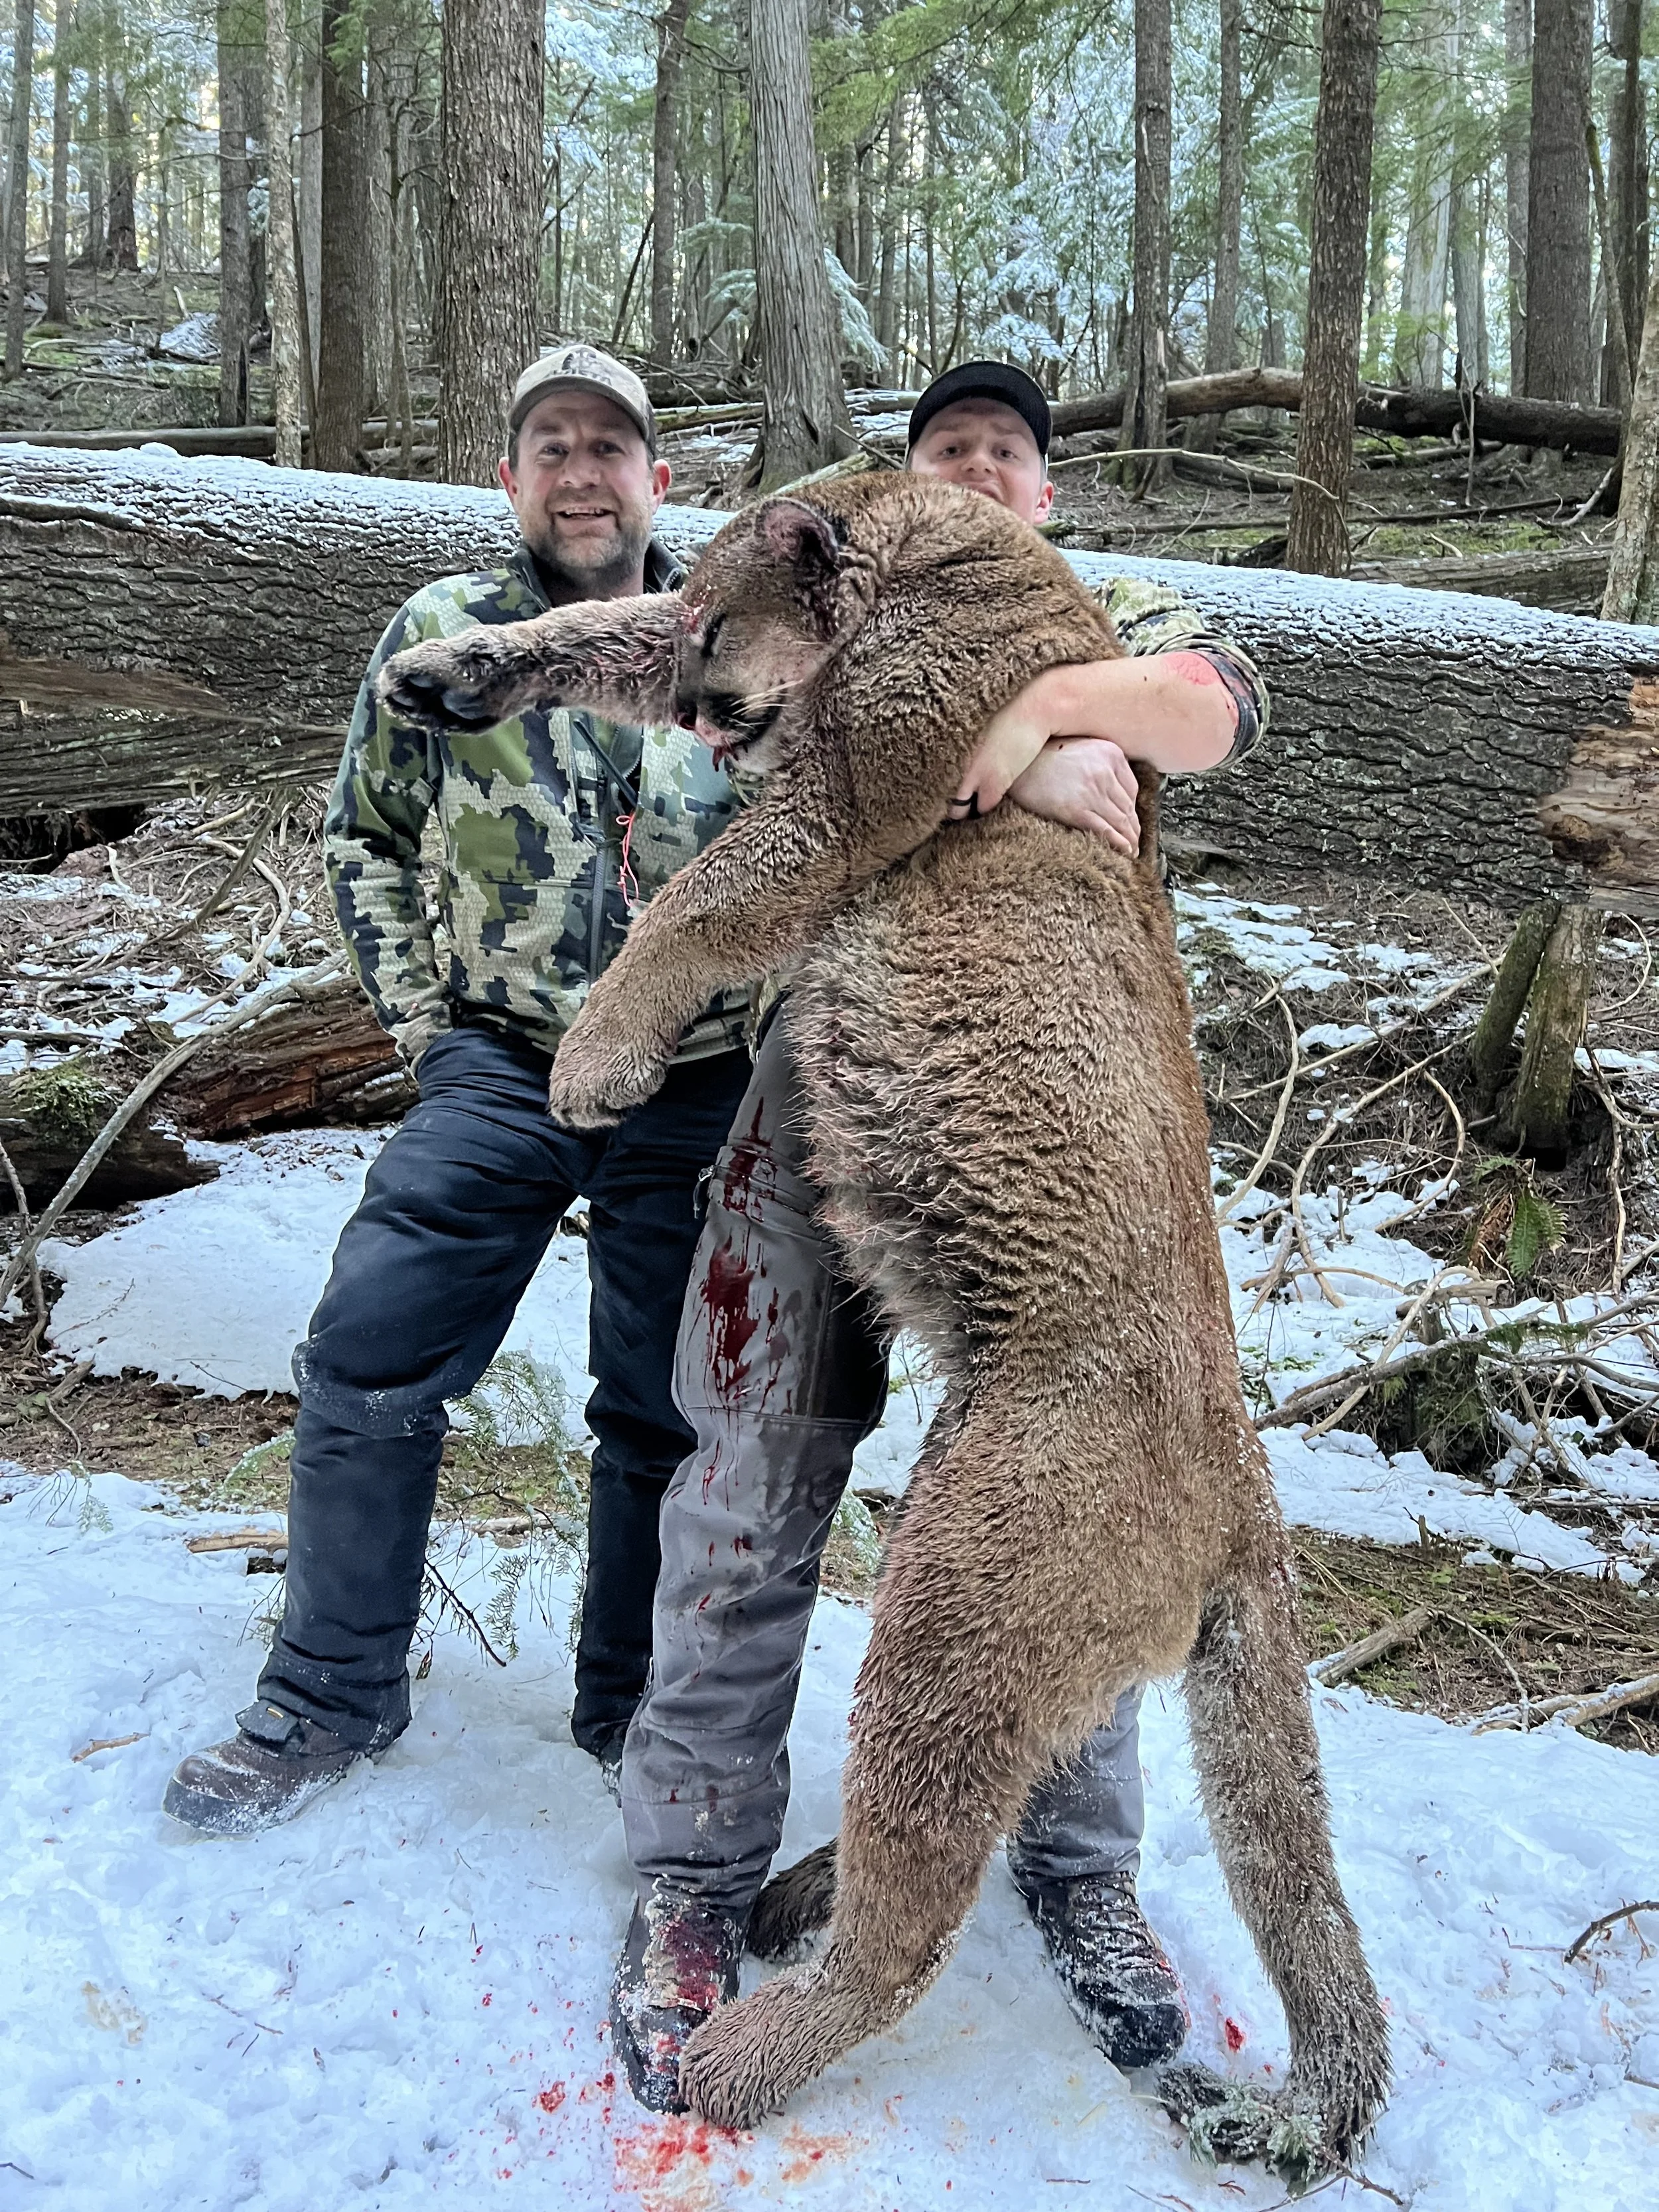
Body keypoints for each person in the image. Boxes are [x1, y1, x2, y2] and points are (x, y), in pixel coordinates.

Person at [608, 361, 1269, 2110]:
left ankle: (1075, 1865)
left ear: (1045, 496)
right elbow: (731, 798)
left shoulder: (1110, 611)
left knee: (1074, 1479)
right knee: (746, 1471)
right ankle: (691, 1868)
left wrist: (1033, 711)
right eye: (945, 449)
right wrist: (1021, 763)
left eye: (1007, 452)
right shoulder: (814, 616)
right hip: (826, 1089)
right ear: (893, 494)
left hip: (1053, 1129)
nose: (977, 468)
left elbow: (1206, 712)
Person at [163, 344, 761, 1834]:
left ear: (657, 478)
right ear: (507, 479)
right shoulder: (445, 632)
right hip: (500, 1059)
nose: (580, 472)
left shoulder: (738, 642)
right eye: (550, 446)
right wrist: (424, 1032)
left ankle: (632, 1704)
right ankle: (331, 1692)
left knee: (669, 1410)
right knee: (370, 1349)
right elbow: (362, 833)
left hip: (695, 1077)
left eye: (607, 447)